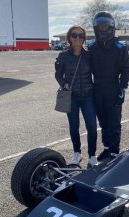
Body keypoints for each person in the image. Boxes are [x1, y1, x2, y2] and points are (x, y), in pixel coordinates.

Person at [89, 11, 129, 161]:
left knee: (114, 123)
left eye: (105, 26)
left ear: (111, 27)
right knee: (103, 122)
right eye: (99, 26)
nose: (102, 29)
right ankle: (106, 148)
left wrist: (123, 88)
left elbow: (125, 70)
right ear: (95, 28)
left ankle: (114, 151)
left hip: (113, 89)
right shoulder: (92, 48)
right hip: (97, 89)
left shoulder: (120, 48)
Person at [55, 25, 98, 167]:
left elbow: (96, 73)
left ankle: (92, 156)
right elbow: (58, 74)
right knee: (74, 127)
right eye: (75, 35)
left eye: (81, 35)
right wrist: (64, 84)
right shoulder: (63, 56)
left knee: (92, 126)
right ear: (69, 38)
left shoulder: (89, 56)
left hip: (88, 96)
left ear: (84, 38)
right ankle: (77, 153)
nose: (78, 38)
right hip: (71, 97)